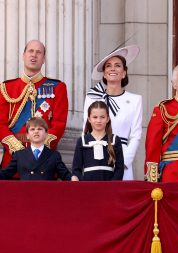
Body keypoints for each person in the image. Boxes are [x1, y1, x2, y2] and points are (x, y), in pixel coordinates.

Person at [0, 40, 68, 172]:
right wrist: (19, 152)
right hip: (13, 163)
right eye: (30, 51)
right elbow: (1, 124)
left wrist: (39, 149)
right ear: (23, 56)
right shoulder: (6, 88)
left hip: (45, 162)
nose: (34, 55)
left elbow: (59, 124)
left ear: (43, 59)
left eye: (39, 52)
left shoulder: (57, 87)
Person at [83, 45, 142, 180]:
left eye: (117, 65)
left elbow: (136, 134)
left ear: (124, 72)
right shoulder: (92, 97)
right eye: (108, 66)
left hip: (123, 157)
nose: (113, 68)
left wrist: (124, 161)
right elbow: (85, 130)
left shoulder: (135, 100)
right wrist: (87, 159)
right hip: (96, 157)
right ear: (104, 73)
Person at [144, 63, 178, 182]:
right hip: (173, 175)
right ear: (174, 84)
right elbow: (152, 146)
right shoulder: (163, 109)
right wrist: (152, 180)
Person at [0, 117, 72, 180]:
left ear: (46, 134)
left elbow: (65, 175)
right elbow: (6, 173)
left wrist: (74, 177)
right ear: (27, 135)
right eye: (32, 129)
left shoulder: (54, 156)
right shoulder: (19, 155)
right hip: (25, 193)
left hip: (46, 193)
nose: (36, 131)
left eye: (40, 129)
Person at [72, 101, 124, 181]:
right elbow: (76, 169)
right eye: (95, 117)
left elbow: (119, 169)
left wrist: (112, 185)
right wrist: (84, 184)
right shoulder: (82, 141)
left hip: (109, 188)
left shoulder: (115, 140)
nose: (98, 120)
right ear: (89, 119)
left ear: (107, 119)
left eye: (102, 117)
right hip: (88, 188)